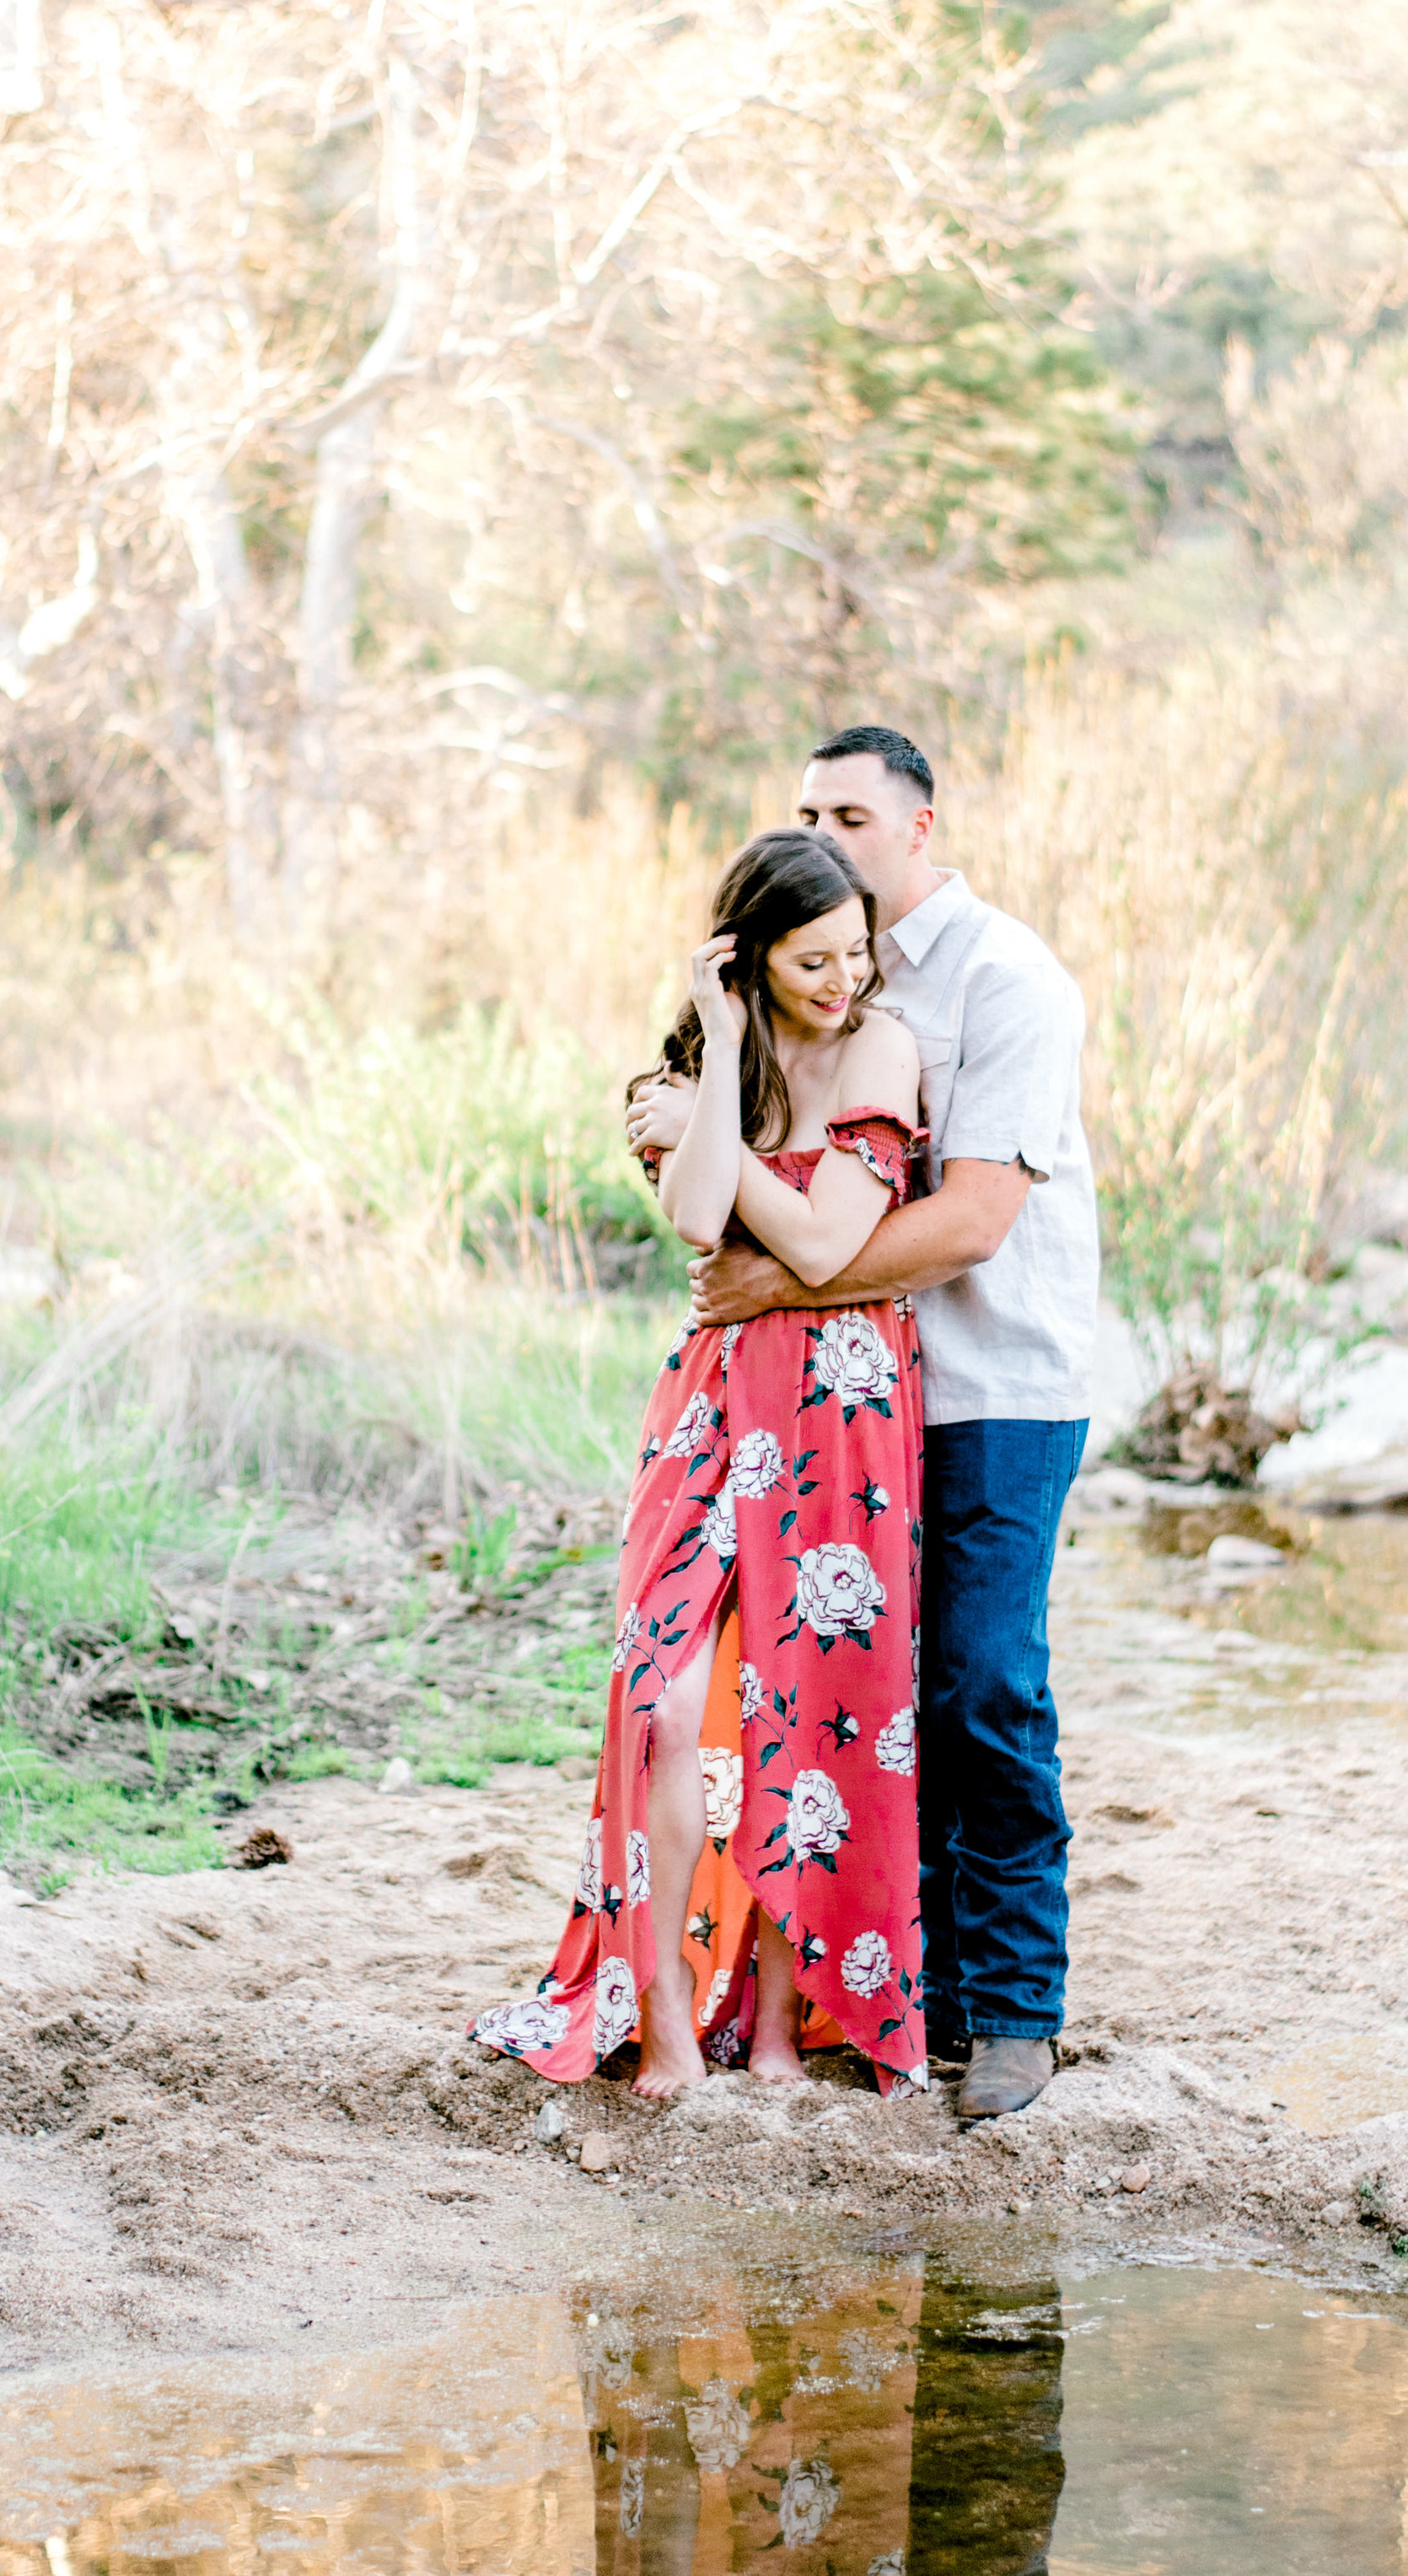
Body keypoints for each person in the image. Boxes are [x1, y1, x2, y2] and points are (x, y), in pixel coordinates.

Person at [474, 827, 928, 2098]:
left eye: (857, 954)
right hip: (716, 1404)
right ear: (748, 961)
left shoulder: (880, 1049)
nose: (844, 981)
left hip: (844, 1412)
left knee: (808, 1714)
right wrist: (722, 1059)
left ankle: (781, 2027)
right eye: (813, 961)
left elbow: (837, 1247)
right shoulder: (703, 1064)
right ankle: (665, 2009)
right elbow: (689, 1218)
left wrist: (736, 1175)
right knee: (669, 1700)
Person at [682, 728, 1097, 2119]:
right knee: (879, 1703)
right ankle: (913, 1998)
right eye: (809, 812)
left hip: (1000, 1387)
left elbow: (975, 1222)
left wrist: (767, 1277)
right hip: (856, 1407)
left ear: (923, 827)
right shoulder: (817, 976)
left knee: (985, 1683)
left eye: (854, 812)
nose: (830, 833)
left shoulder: (1008, 981)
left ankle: (1018, 2014)